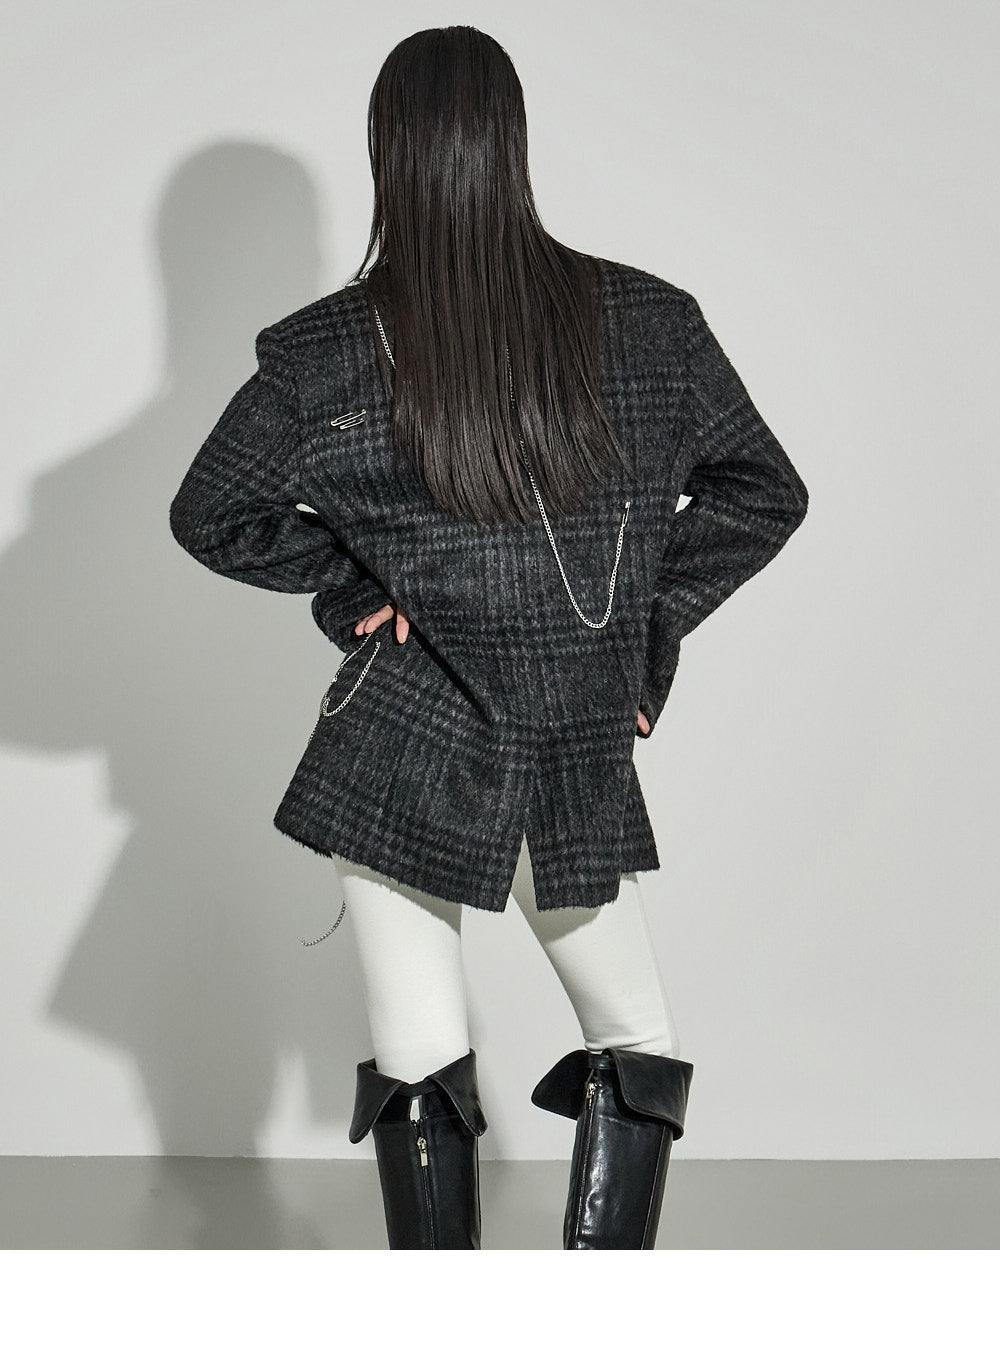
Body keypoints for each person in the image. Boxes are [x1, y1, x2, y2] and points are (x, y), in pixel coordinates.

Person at [169, 26, 808, 1250]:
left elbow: (211, 514)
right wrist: (641, 634)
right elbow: (761, 493)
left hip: (401, 731)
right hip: (560, 731)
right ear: (510, 144)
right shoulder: (649, 322)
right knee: (632, 1040)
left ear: (388, 152)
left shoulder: (323, 350)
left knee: (418, 1049)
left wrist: (350, 587)